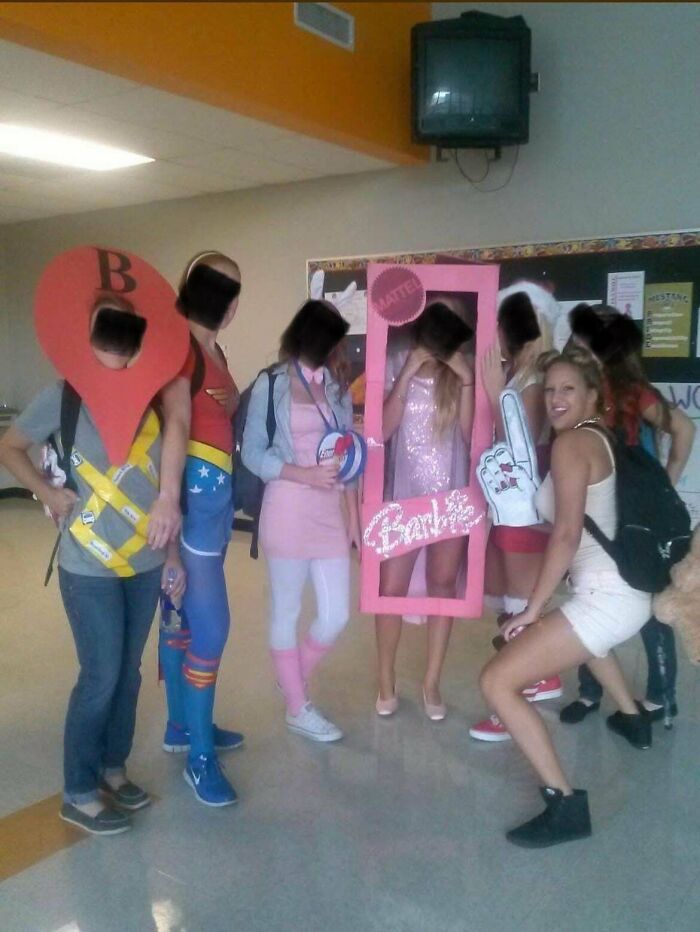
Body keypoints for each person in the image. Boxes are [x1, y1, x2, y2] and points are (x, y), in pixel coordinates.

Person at [0, 286, 187, 836]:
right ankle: (78, 790)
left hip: (146, 561)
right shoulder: (64, 396)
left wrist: (172, 552)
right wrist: (45, 492)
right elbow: (10, 446)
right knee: (101, 674)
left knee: (127, 676)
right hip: (87, 566)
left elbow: (162, 484)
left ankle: (112, 769)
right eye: (110, 327)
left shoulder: (156, 398)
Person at [479, 347, 652, 848]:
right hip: (618, 592)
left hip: (607, 597)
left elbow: (567, 534)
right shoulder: (600, 437)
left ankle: (565, 804)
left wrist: (531, 609)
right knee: (578, 642)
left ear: (593, 395)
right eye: (550, 388)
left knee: (497, 681)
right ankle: (633, 717)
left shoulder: (572, 445)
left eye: (567, 389)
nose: (554, 399)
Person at [559, 304, 695, 726]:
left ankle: (660, 699)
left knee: (652, 605)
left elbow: (685, 430)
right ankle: (590, 691)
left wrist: (666, 481)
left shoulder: (631, 390)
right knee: (591, 597)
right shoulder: (579, 391)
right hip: (598, 517)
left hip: (637, 519)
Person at [241, 299, 361, 742]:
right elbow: (253, 453)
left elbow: (349, 453)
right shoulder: (269, 384)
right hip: (287, 506)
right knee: (286, 610)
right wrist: (303, 473)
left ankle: (291, 675)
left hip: (329, 511)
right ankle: (297, 705)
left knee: (336, 616)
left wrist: (354, 515)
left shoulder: (336, 387)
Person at [157, 251, 245, 807]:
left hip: (205, 514)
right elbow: (177, 425)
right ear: (231, 305)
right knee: (211, 630)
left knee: (183, 621)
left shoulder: (209, 349)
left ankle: (182, 727)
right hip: (190, 516)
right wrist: (169, 515)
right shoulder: (180, 351)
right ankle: (199, 760)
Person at [375, 301, 474, 721]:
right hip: (402, 499)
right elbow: (381, 430)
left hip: (450, 500)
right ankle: (385, 680)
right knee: (389, 592)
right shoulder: (396, 360)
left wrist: (467, 380)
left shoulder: (461, 371)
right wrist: (408, 370)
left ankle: (432, 681)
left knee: (442, 588)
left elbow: (473, 437)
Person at [470, 290, 558, 741]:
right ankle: (531, 681)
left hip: (522, 507)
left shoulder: (533, 380)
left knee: (521, 606)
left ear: (506, 331)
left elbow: (517, 445)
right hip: (512, 506)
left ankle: (521, 692)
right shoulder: (526, 373)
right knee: (513, 602)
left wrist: (492, 392)